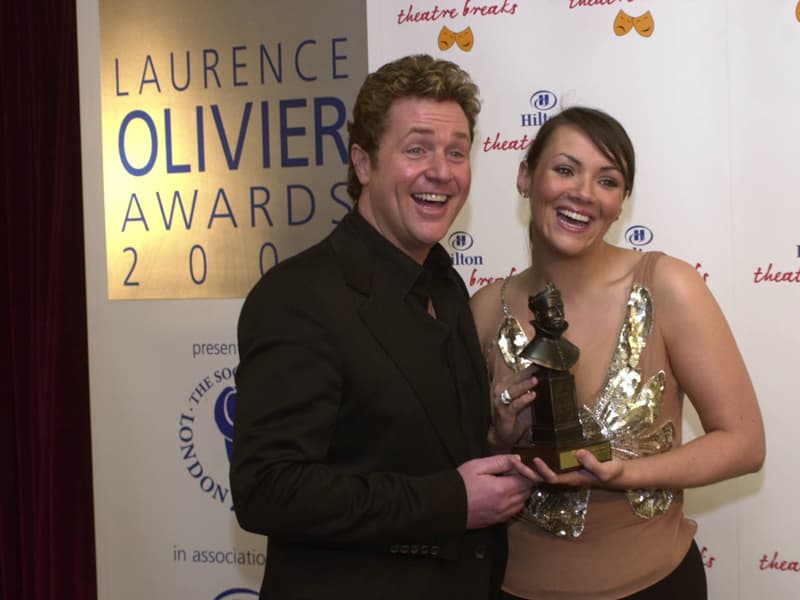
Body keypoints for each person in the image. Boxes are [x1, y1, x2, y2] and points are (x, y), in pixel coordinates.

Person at [230, 54, 538, 599]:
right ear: (364, 162)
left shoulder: (444, 283)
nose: (441, 171)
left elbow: (420, 445)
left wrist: (495, 437)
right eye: (416, 148)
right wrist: (451, 502)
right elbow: (268, 489)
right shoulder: (297, 296)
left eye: (457, 151)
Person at [470, 106, 765, 599]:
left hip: (655, 585)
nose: (583, 193)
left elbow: (744, 442)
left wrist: (624, 474)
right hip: (514, 586)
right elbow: (463, 465)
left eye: (607, 181)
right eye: (565, 169)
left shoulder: (667, 285)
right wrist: (499, 438)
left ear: (621, 201)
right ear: (526, 176)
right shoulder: (483, 309)